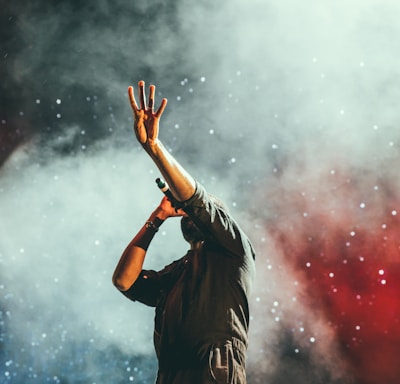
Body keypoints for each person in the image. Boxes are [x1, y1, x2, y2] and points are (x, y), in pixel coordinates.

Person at [112, 80, 256, 384]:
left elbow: (197, 199)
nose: (189, 211)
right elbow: (124, 281)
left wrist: (154, 148)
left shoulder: (233, 247)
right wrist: (157, 217)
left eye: (199, 210)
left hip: (213, 371)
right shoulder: (177, 271)